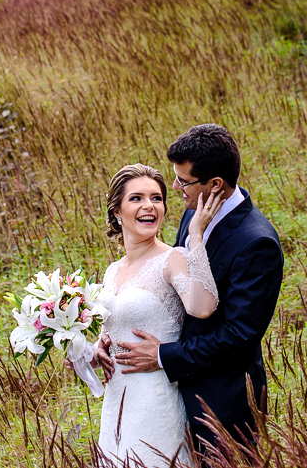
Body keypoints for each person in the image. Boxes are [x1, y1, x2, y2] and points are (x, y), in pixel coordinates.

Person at [98, 125, 285, 459]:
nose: (174, 189)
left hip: (221, 400)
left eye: (183, 181)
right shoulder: (191, 211)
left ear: (215, 185)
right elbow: (167, 291)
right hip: (160, 393)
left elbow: (239, 336)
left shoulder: (258, 243)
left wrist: (162, 355)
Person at [86, 163, 225, 467]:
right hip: (117, 401)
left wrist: (196, 236)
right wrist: (101, 345)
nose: (149, 206)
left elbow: (202, 308)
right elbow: (117, 322)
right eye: (136, 198)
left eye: (157, 198)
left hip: (156, 398)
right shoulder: (112, 271)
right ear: (116, 211)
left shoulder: (173, 258)